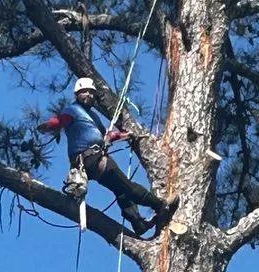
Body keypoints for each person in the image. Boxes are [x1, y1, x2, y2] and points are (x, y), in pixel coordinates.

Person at [37, 77, 177, 236]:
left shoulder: (93, 116)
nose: (89, 95)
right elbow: (59, 122)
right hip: (92, 158)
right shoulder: (72, 110)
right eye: (85, 92)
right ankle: (160, 205)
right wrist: (46, 126)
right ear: (77, 94)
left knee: (120, 190)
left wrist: (123, 135)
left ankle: (138, 223)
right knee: (126, 187)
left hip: (94, 158)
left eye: (91, 92)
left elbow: (106, 136)